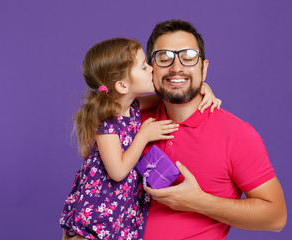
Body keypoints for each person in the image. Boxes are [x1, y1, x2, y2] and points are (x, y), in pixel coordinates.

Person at [59, 38, 221, 240]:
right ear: (122, 86)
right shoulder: (107, 121)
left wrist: (201, 87)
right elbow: (117, 171)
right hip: (98, 220)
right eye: (143, 67)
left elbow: (169, 95)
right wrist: (143, 136)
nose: (152, 69)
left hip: (117, 216)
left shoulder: (132, 107)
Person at [140, 19, 287, 239]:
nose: (177, 67)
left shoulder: (236, 135)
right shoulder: (132, 122)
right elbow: (97, 108)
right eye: (164, 58)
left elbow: (276, 217)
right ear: (150, 69)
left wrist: (199, 202)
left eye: (189, 57)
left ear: (204, 68)